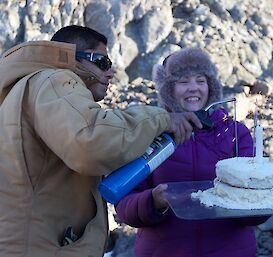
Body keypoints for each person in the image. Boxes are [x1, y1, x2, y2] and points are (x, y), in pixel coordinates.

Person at [0, 26, 202, 257]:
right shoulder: (55, 80)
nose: (111, 72)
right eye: (103, 62)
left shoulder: (25, 89)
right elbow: (90, 144)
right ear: (75, 58)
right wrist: (161, 118)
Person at [115, 47, 269, 257]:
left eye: (200, 80)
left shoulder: (234, 133)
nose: (194, 88)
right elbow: (125, 206)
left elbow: (254, 213)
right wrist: (153, 201)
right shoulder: (149, 134)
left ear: (211, 87)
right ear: (168, 89)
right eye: (183, 81)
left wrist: (261, 200)